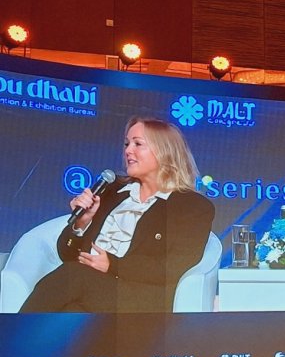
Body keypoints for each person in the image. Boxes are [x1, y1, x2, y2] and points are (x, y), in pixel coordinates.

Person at [21, 117, 214, 313]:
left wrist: (113, 265)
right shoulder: (111, 191)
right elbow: (67, 255)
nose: (128, 150)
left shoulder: (192, 206)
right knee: (71, 308)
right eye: (127, 144)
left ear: (164, 151)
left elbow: (175, 265)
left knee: (73, 275)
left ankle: (10, 330)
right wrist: (82, 223)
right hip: (90, 289)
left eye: (138, 144)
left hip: (142, 299)